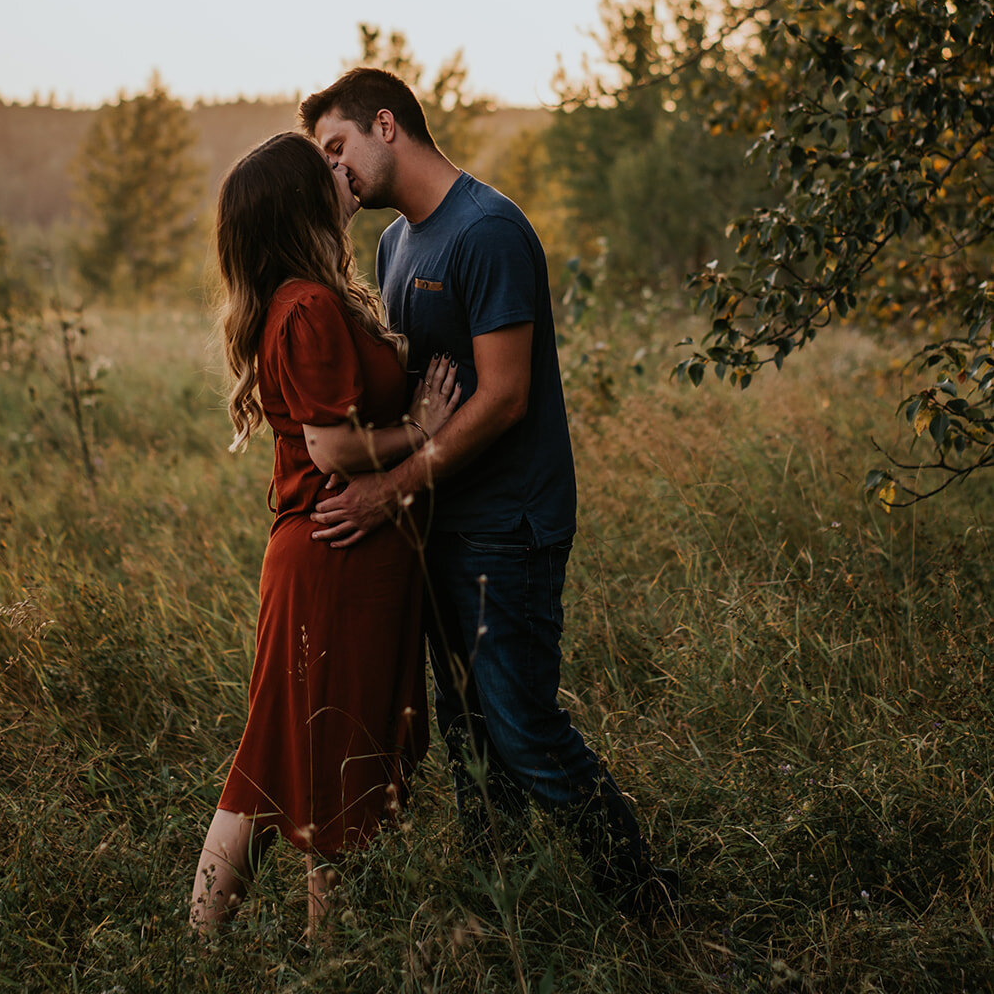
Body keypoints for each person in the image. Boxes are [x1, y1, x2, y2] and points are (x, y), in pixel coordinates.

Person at [300, 69, 679, 920]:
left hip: (506, 527)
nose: (332, 171)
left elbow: (503, 398)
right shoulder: (397, 244)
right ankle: (501, 909)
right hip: (439, 524)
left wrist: (384, 491)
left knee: (524, 729)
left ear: (385, 125)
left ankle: (648, 907)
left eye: (336, 148)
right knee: (467, 730)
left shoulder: (488, 230)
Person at [189, 132, 460, 939]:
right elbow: (331, 446)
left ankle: (284, 946)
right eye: (326, 169)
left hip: (344, 557)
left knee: (295, 756)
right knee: (313, 758)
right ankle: (288, 945)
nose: (342, 173)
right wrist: (420, 429)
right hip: (333, 555)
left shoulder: (310, 296)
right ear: (301, 204)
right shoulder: (305, 306)